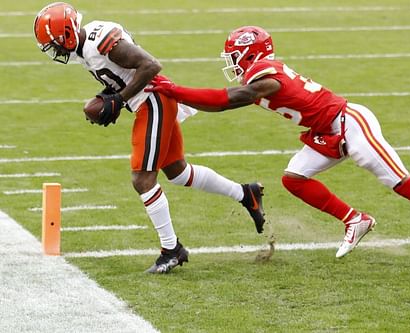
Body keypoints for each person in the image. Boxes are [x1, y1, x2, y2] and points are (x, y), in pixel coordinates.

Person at [145, 26, 410, 273]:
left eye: (234, 56)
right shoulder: (261, 74)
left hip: (349, 122)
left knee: (399, 182)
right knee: (294, 177)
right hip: (325, 131)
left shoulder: (264, 75)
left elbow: (227, 100)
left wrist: (175, 90)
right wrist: (182, 102)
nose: (232, 62)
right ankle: (356, 220)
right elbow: (221, 99)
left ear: (250, 53)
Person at [33, 4, 266, 274]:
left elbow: (151, 65)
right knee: (178, 172)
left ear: (67, 34)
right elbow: (120, 75)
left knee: (142, 180)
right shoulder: (87, 47)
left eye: (55, 44)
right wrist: (110, 96)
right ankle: (245, 193)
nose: (55, 51)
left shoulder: (101, 42)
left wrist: (118, 100)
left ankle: (171, 249)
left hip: (153, 100)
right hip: (147, 102)